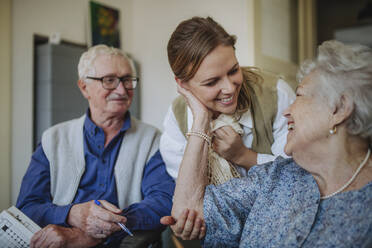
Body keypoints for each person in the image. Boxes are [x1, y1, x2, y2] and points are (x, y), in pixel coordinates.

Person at [161, 40, 372, 247]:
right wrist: (201, 118)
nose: (286, 111)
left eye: (299, 95)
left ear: (340, 108)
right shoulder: (277, 176)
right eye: (211, 82)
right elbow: (188, 212)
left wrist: (243, 155)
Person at [16, 45, 175, 248]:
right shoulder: (53, 139)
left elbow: (163, 201)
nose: (121, 89)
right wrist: (72, 215)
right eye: (109, 80)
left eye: (127, 80)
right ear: (84, 87)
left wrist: (101, 229)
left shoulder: (152, 140)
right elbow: (27, 207)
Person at [160, 16, 295, 185]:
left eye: (233, 71)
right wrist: (201, 122)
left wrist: (243, 156)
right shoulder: (177, 116)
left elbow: (296, 176)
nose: (230, 88)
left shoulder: (276, 94)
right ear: (182, 84)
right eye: (212, 82)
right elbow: (187, 197)